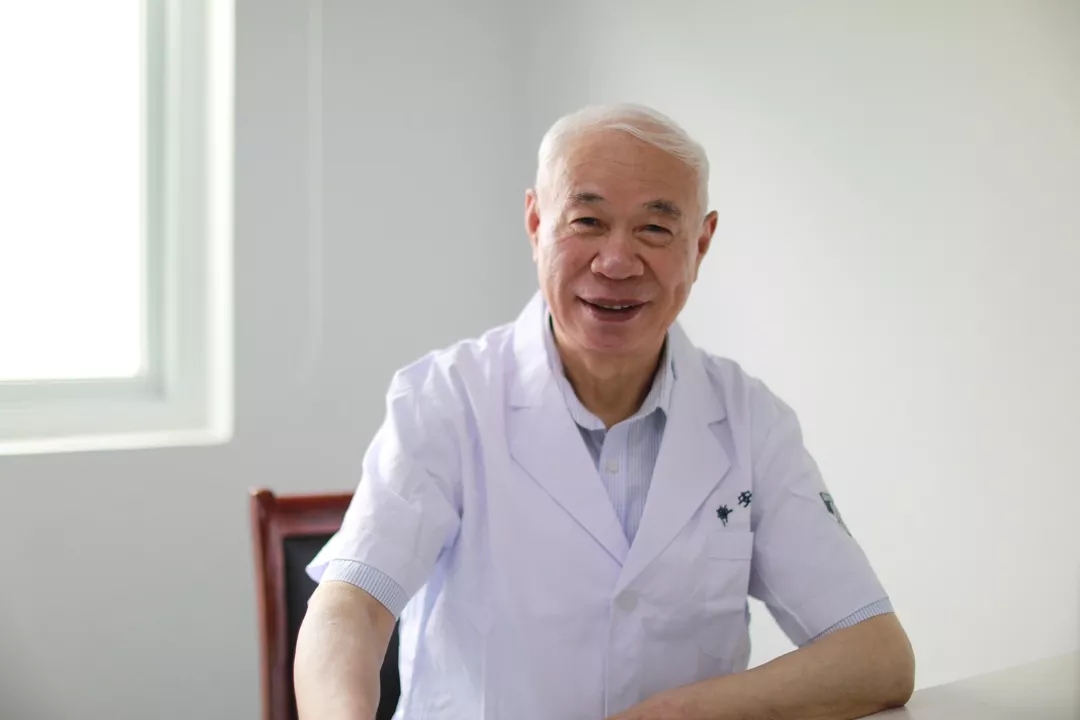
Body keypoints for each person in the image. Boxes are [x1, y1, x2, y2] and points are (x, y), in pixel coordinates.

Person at [294, 103, 915, 720]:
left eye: (655, 229)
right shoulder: (446, 399)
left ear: (701, 244)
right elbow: (351, 605)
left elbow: (876, 655)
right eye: (587, 221)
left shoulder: (752, 422)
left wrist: (674, 714)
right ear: (536, 223)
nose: (616, 262)